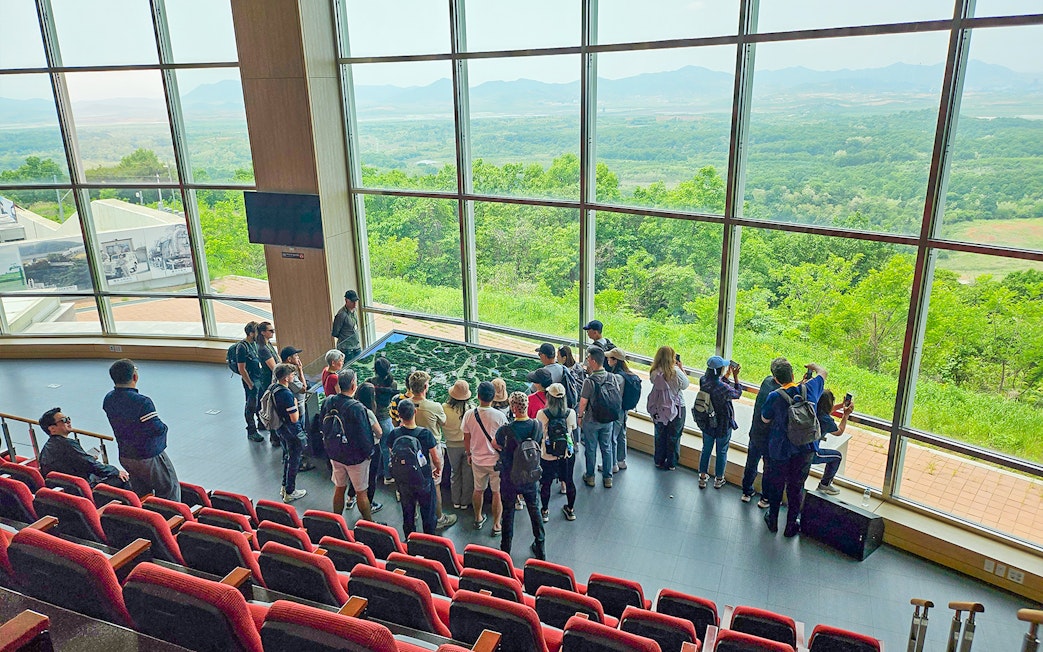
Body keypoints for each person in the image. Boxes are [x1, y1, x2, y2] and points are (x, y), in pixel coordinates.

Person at [761, 361, 828, 537]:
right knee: (796, 487)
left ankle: (773, 520)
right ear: (792, 375)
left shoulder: (775, 396)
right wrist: (813, 366)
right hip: (806, 448)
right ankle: (791, 525)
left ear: (775, 379)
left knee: (777, 485)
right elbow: (823, 372)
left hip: (781, 449)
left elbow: (765, 419)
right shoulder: (810, 389)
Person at [102, 359, 180, 501]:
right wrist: (164, 428)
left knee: (141, 491)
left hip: (126, 455)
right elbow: (156, 428)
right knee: (169, 489)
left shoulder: (108, 399)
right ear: (135, 377)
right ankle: (173, 520)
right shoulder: (142, 402)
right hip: (148, 456)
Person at [495, 391, 545, 560]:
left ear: (513, 408)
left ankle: (505, 549)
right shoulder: (537, 425)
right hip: (531, 475)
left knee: (508, 513)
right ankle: (540, 545)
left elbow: (496, 444)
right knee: (534, 509)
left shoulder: (506, 430)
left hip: (510, 477)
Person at [320, 368, 372, 517]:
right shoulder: (357, 407)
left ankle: (337, 520)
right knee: (361, 492)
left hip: (335, 453)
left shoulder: (328, 401)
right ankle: (369, 525)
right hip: (355, 458)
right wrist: (368, 454)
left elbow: (321, 425)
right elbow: (364, 435)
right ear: (353, 385)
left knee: (339, 487)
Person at [386, 399, 442, 536]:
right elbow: (435, 458)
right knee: (428, 512)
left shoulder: (394, 434)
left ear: (399, 415)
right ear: (415, 412)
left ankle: (410, 539)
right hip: (423, 479)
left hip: (404, 480)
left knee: (408, 512)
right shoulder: (425, 434)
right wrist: (438, 469)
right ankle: (429, 540)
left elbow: (392, 453)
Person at [410, 371, 457, 530]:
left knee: (414, 481)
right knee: (435, 484)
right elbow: (443, 422)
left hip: (411, 449)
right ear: (425, 387)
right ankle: (439, 518)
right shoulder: (434, 406)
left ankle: (415, 513)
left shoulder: (405, 404)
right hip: (431, 450)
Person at [38, 407, 130, 488]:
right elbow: (92, 466)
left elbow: (78, 461)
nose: (69, 421)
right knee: (123, 478)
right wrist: (116, 471)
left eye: (68, 418)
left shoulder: (48, 447)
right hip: (81, 487)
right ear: (52, 428)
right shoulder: (68, 444)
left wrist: (87, 458)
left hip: (67, 485)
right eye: (64, 420)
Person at [462, 381, 507, 536]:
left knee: (478, 489)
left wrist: (468, 454)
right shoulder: (500, 416)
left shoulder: (469, 414)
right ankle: (496, 525)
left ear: (478, 395)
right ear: (493, 397)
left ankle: (478, 518)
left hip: (478, 460)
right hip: (496, 461)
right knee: (496, 493)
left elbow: (466, 437)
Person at [742, 357, 787, 506]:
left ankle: (746, 492)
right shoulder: (780, 393)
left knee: (751, 462)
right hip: (770, 438)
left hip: (755, 432)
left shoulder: (766, 381)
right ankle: (765, 498)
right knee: (768, 467)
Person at [578, 346, 623, 488]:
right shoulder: (612, 377)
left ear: (592, 361)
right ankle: (607, 478)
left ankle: (590, 476)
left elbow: (583, 402)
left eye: (587, 358)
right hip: (608, 419)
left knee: (590, 448)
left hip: (592, 420)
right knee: (607, 447)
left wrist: (580, 417)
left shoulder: (589, 381)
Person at [698, 356, 743, 490]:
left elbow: (715, 385)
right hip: (723, 423)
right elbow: (737, 393)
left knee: (706, 448)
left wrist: (725, 377)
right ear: (719, 369)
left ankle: (702, 477)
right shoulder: (723, 388)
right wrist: (735, 377)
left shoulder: (703, 380)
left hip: (707, 422)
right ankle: (718, 479)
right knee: (722, 450)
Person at [536, 383, 578, 522]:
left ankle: (545, 511)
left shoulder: (542, 414)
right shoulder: (570, 413)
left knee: (546, 483)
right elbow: (573, 429)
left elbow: (539, 433)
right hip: (566, 454)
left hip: (547, 455)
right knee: (569, 481)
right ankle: (570, 510)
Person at [647, 346, 689, 471]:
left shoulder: (654, 372)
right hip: (677, 407)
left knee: (660, 433)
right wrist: (681, 368)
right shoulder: (676, 372)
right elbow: (685, 385)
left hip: (659, 407)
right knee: (674, 435)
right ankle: (671, 462)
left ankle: (658, 460)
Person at [271, 363, 308, 503]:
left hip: (280, 428)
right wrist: (295, 404)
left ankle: (284, 486)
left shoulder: (274, 388)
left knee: (287, 456)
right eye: (292, 374)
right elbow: (294, 418)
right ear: (286, 377)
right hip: (291, 430)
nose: (293, 376)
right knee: (294, 459)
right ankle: (290, 491)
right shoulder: (286, 394)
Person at [348, 381, 384, 514]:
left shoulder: (351, 406)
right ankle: (369, 504)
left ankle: (350, 498)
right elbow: (379, 432)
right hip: (371, 448)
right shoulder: (367, 412)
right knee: (371, 476)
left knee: (354, 473)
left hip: (354, 446)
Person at [604, 348, 639, 472]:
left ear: (615, 361)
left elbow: (612, 395)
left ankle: (611, 464)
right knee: (621, 434)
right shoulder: (628, 374)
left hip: (616, 410)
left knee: (611, 436)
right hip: (624, 409)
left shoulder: (617, 377)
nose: (607, 359)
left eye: (609, 358)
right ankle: (621, 460)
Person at [281, 345, 315, 472]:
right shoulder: (289, 374)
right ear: (289, 359)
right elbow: (303, 389)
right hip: (297, 409)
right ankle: (297, 462)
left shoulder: (279, 370)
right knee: (297, 436)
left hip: (289, 411)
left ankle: (288, 457)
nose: (298, 357)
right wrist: (300, 370)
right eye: (296, 356)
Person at [813, 389, 853, 495]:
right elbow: (839, 432)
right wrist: (846, 415)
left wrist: (841, 405)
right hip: (811, 453)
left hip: (797, 449)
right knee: (837, 457)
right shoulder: (826, 420)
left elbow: (826, 410)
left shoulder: (811, 409)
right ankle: (824, 485)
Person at [443, 380, 474, 510]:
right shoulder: (471, 409)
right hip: (467, 445)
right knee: (468, 474)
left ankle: (455, 501)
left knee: (454, 472)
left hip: (451, 445)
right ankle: (465, 502)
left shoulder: (444, 408)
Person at [367, 356, 398, 484]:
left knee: (374, 446)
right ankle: (388, 475)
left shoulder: (369, 382)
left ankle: (376, 472)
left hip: (371, 418)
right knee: (386, 448)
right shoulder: (393, 384)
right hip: (385, 418)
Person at [235, 321, 265, 442]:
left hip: (259, 379)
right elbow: (241, 368)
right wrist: (250, 384)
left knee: (260, 402)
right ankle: (251, 431)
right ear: (251, 333)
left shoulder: (254, 344)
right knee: (251, 405)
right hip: (251, 381)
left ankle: (261, 423)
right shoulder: (242, 347)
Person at [257, 321, 280, 446]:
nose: (273, 332)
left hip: (270, 380)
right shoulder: (263, 349)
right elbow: (274, 368)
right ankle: (274, 436)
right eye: (270, 330)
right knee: (272, 408)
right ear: (263, 332)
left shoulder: (268, 344)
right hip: (268, 382)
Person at [332, 289, 361, 359]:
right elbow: (335, 332)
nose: (355, 304)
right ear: (346, 300)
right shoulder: (341, 314)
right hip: (346, 349)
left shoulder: (354, 311)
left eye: (356, 301)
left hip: (356, 346)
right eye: (352, 302)